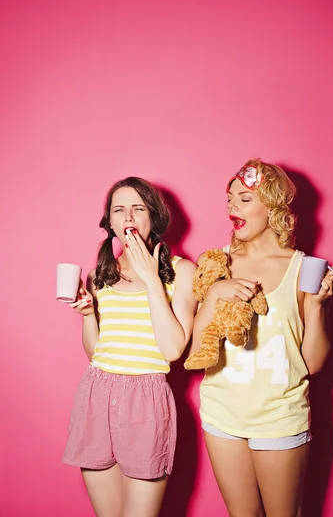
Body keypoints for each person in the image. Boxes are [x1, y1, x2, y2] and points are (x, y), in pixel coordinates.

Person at [189, 158, 333, 517]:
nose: (231, 208)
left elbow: (313, 364)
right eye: (229, 200)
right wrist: (214, 294)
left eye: (243, 199)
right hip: (221, 414)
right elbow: (197, 350)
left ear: (272, 206)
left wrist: (317, 307)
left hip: (279, 415)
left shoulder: (305, 269)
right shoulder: (215, 264)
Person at [63, 177, 197, 517]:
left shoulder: (182, 273)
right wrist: (89, 315)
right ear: (109, 222)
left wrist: (152, 278)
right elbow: (97, 354)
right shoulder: (99, 276)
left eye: (138, 209)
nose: (128, 218)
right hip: (97, 395)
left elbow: (172, 350)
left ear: (153, 217)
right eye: (119, 210)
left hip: (147, 401)